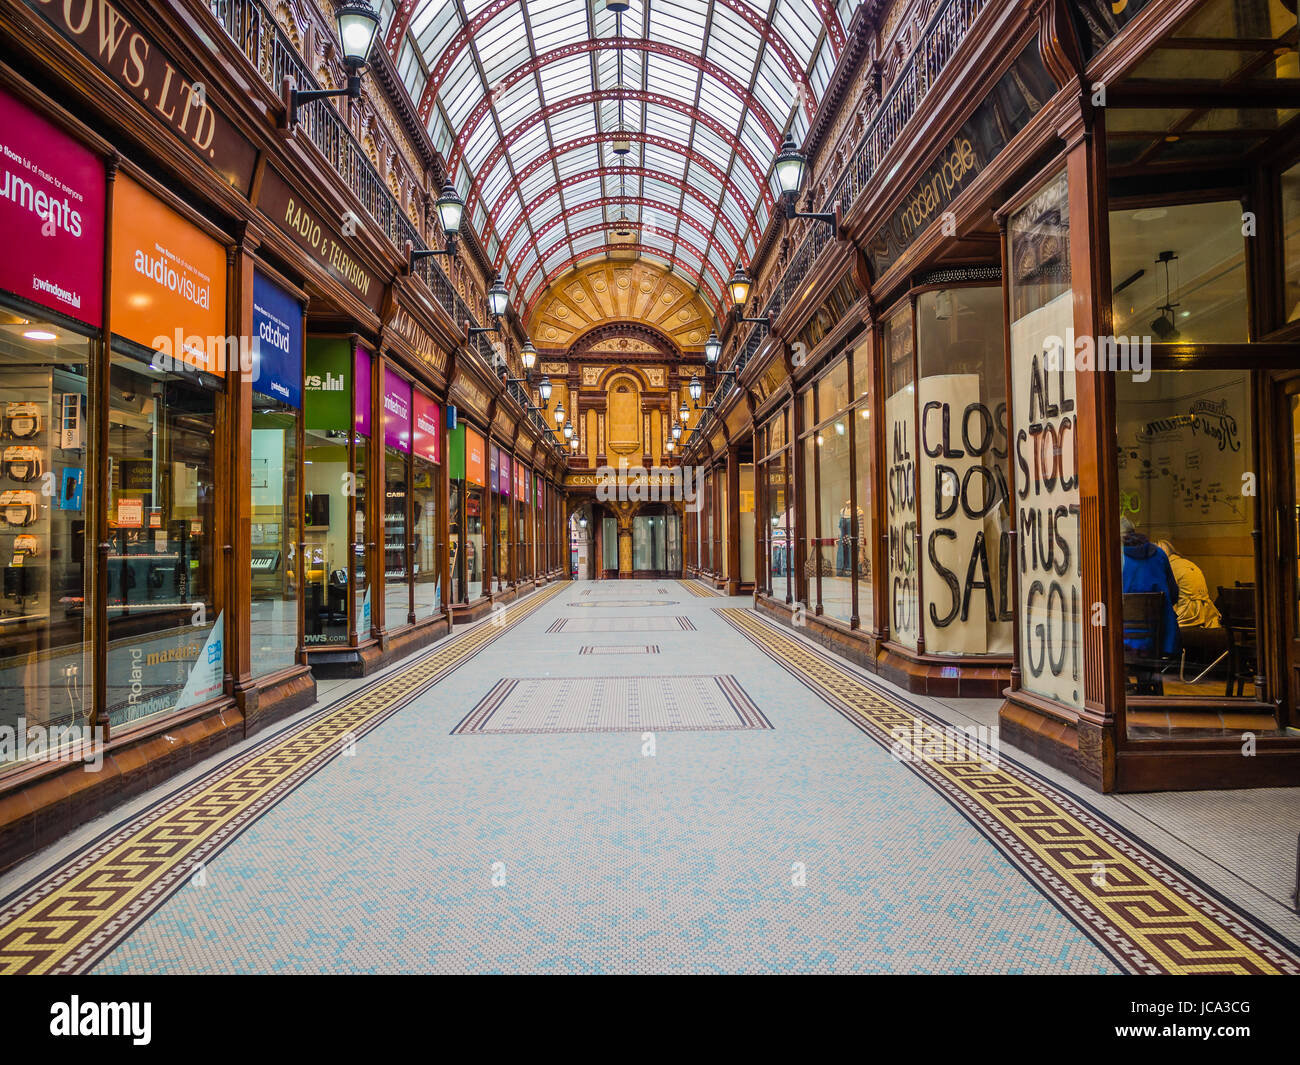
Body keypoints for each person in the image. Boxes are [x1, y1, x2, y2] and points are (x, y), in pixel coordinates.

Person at [1120, 517, 1180, 657]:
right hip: (1159, 638)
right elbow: (1174, 594)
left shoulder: (1113, 555)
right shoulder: (1159, 553)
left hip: (1124, 640)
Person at [1155, 539, 1221, 629]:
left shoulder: (1170, 567)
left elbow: (1166, 597)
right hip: (1208, 616)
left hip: (1186, 615)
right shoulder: (1189, 563)